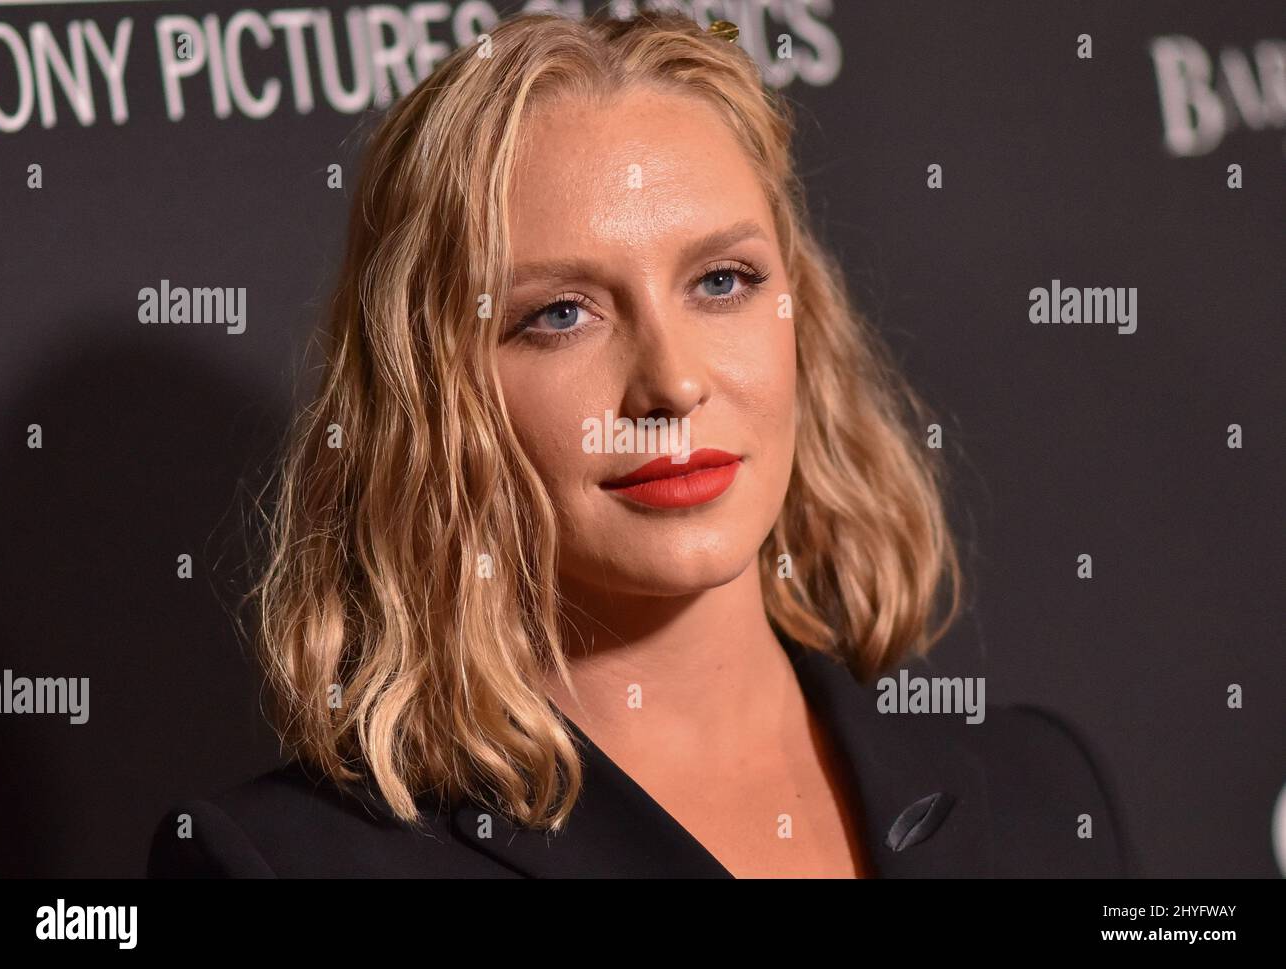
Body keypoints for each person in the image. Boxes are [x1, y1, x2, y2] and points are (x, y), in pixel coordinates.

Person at [147, 10, 1128, 878]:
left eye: (720, 281)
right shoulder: (283, 864)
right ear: (435, 400)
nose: (671, 382)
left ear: (803, 323)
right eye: (561, 313)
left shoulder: (1041, 796)